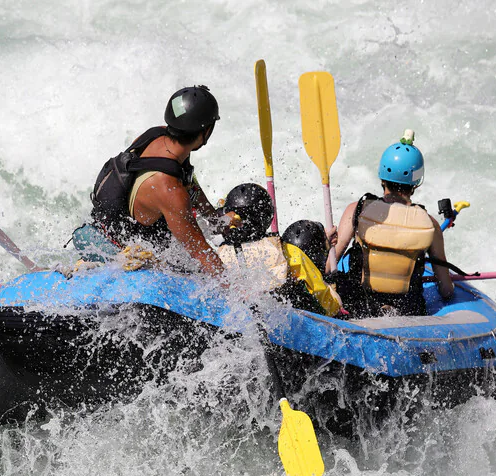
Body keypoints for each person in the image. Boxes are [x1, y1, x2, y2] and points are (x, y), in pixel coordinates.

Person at [88, 85, 226, 275]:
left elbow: (187, 180)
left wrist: (214, 218)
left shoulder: (157, 135)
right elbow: (203, 255)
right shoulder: (170, 190)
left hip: (102, 225)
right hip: (115, 248)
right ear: (206, 131)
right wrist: (243, 294)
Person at [333, 130, 454, 317]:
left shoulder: (356, 210)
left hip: (359, 307)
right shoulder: (430, 224)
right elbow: (446, 289)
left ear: (382, 177)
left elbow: (329, 266)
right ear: (416, 183)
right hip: (406, 312)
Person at [214, 184, 342, 317]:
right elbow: (325, 303)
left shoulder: (217, 254)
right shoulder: (288, 251)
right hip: (281, 318)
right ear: (267, 216)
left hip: (234, 316)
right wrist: (335, 302)